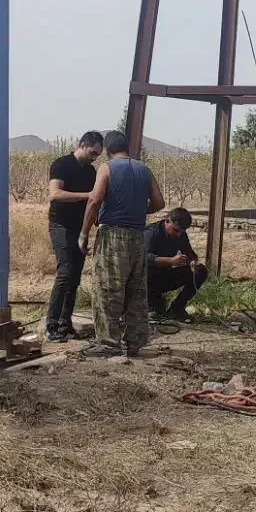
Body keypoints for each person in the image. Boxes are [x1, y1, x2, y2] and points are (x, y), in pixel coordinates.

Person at [79, 131, 163, 358]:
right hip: (138, 237)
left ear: (107, 150)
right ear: (128, 148)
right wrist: (138, 209)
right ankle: (135, 343)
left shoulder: (106, 168)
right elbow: (159, 202)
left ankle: (108, 343)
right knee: (136, 291)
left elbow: (94, 200)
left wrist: (84, 234)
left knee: (108, 290)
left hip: (113, 236)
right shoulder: (144, 170)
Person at [44, 131, 104, 342]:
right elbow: (55, 194)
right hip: (61, 225)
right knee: (65, 272)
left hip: (80, 229)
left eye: (97, 155)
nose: (94, 158)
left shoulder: (90, 171)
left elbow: (93, 202)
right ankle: (51, 325)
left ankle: (65, 324)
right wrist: (87, 195)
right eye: (93, 152)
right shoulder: (61, 164)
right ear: (83, 144)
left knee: (75, 277)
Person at [146, 207, 208, 321]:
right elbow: (144, 257)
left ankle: (177, 308)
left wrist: (193, 261)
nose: (178, 234)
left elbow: (189, 253)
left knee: (200, 272)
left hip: (166, 274)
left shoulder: (180, 235)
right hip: (147, 279)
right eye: (175, 230)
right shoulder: (152, 233)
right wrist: (170, 261)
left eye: (181, 232)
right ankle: (152, 304)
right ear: (167, 221)